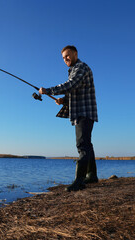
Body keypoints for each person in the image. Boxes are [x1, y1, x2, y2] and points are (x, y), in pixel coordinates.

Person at [39, 45, 98, 192]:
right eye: (64, 58)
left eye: (68, 55)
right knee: (87, 145)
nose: (66, 59)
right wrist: (63, 100)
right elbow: (75, 91)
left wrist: (48, 90)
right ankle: (91, 176)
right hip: (83, 112)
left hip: (84, 112)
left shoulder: (81, 67)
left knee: (82, 145)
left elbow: (71, 84)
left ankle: (79, 181)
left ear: (75, 54)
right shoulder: (74, 70)